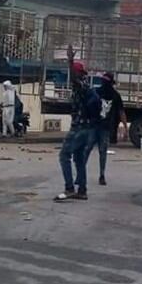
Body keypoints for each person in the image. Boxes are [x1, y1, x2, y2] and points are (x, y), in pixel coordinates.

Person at [55, 61, 101, 201]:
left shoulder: (79, 86)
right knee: (79, 159)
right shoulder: (86, 86)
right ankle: (82, 190)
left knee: (64, 156)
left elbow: (74, 79)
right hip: (87, 128)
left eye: (72, 72)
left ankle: (69, 188)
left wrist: (70, 61)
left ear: (76, 73)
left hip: (78, 128)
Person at [87, 73, 127, 186]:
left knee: (90, 150)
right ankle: (100, 175)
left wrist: (125, 127)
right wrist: (125, 128)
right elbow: (121, 112)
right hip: (101, 126)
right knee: (100, 152)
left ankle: (93, 175)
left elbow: (121, 111)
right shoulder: (114, 94)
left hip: (98, 126)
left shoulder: (97, 92)